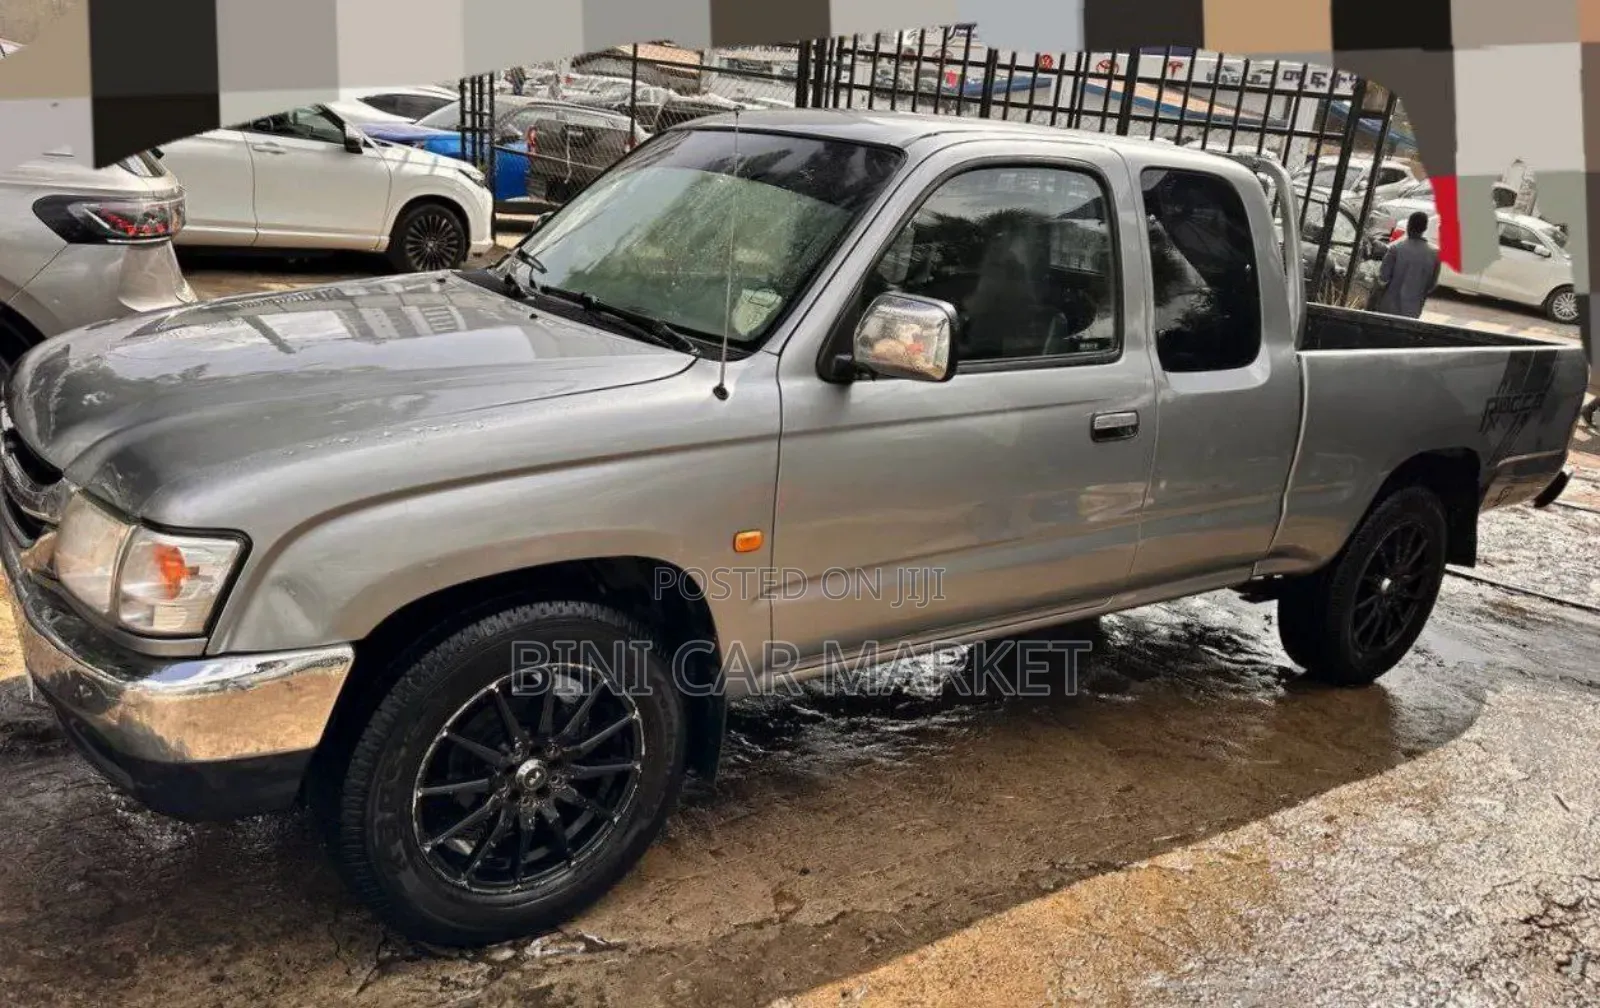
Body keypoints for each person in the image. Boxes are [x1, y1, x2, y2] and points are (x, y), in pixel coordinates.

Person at [1375, 210, 1441, 318]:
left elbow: (1383, 277)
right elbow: (1432, 285)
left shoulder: (1395, 249)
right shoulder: (1435, 254)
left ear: (1408, 226)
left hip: (1388, 309)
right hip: (1413, 312)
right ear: (1425, 228)